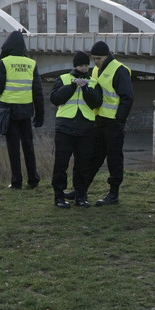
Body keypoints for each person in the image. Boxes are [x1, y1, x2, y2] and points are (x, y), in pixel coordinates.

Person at [0, 30, 44, 190]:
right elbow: (38, 92)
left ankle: (16, 181)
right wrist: (40, 115)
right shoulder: (31, 63)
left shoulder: (5, 63)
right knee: (28, 146)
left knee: (13, 148)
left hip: (9, 111)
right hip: (26, 111)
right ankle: (33, 180)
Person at [49, 51, 103, 208]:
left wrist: (86, 89)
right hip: (65, 127)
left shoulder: (93, 82)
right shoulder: (64, 79)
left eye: (86, 65)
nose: (84, 68)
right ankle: (59, 197)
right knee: (61, 164)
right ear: (75, 66)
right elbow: (55, 98)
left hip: (86, 128)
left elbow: (96, 103)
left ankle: (81, 196)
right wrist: (72, 86)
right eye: (81, 65)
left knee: (83, 165)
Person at [86, 41, 134, 206]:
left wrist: (119, 120)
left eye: (98, 58)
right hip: (99, 120)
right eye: (93, 58)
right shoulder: (95, 70)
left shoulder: (119, 70)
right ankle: (81, 189)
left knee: (114, 158)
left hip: (113, 123)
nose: (96, 61)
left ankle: (114, 194)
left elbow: (127, 97)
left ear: (107, 56)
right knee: (93, 157)